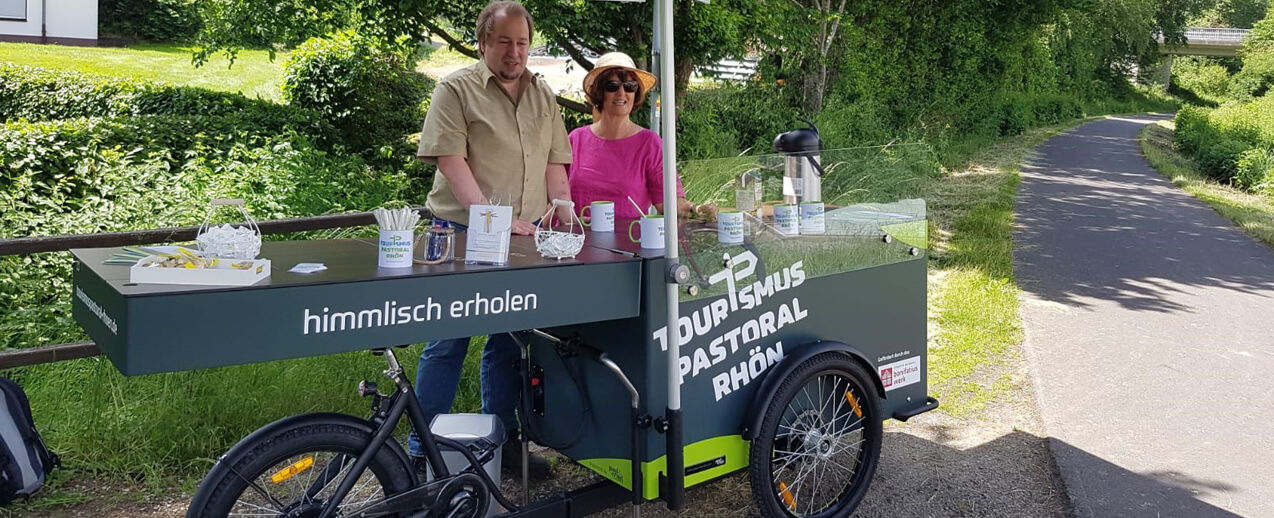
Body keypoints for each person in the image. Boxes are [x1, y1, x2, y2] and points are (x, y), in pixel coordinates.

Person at [412, 0, 570, 480]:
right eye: (504, 42)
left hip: (526, 238)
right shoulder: (455, 89)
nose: (514, 52)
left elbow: (555, 162)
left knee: (508, 343)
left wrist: (562, 209)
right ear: (484, 42)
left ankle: (500, 446)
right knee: (448, 340)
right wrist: (492, 219)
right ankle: (421, 452)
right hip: (460, 232)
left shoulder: (544, 95)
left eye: (522, 43)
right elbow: (449, 161)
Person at [568, 52, 699, 220]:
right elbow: (555, 200)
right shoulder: (575, 139)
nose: (622, 93)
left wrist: (698, 209)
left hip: (629, 243)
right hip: (578, 242)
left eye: (630, 86)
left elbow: (670, 204)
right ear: (599, 92)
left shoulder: (650, 144)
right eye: (612, 86)